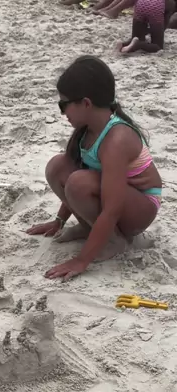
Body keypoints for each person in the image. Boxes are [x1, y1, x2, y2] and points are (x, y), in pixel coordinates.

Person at [26, 56, 162, 280]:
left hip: (141, 206)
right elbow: (79, 173)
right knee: (57, 166)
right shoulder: (87, 130)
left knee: (78, 183)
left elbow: (112, 208)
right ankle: (90, 227)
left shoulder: (116, 138)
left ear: (86, 103)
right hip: (118, 195)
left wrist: (81, 260)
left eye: (64, 105)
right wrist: (59, 220)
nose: (63, 113)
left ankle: (114, 241)